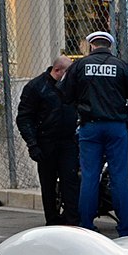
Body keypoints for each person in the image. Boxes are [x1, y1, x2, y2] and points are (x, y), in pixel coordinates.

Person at [59, 31, 128, 237]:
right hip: (116, 127)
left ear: (91, 45)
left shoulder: (80, 66)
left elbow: (64, 92)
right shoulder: (120, 65)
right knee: (119, 177)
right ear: (110, 46)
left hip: (90, 127)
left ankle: (87, 226)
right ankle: (125, 228)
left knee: (90, 176)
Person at [16, 55, 80, 225]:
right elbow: (24, 117)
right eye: (69, 72)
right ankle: (52, 220)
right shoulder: (36, 87)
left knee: (70, 180)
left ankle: (72, 220)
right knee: (48, 183)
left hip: (68, 141)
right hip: (46, 142)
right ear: (57, 70)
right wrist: (32, 144)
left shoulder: (71, 87)